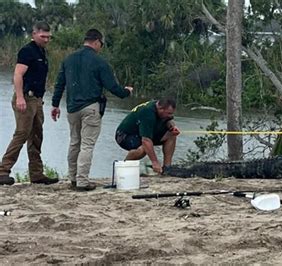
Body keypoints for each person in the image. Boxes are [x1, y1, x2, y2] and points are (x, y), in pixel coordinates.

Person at [51, 29, 133, 191]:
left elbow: (60, 83)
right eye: (101, 44)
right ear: (96, 41)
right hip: (91, 108)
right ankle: (82, 181)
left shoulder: (68, 59)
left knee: (74, 142)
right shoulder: (100, 62)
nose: (101, 47)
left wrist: (54, 105)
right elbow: (112, 87)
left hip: (72, 108)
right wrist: (126, 92)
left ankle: (73, 178)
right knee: (87, 145)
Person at [0, 22, 58, 186]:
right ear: (34, 34)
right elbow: (18, 74)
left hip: (37, 99)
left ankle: (36, 173)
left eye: (48, 37)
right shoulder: (27, 51)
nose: (46, 39)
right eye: (43, 36)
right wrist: (20, 98)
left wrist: (40, 101)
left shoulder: (42, 52)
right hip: (26, 97)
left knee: (36, 135)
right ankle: (3, 170)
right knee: (22, 134)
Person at [115, 97, 180, 174]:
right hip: (125, 136)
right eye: (169, 113)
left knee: (171, 135)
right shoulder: (147, 112)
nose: (170, 115)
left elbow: (169, 120)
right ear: (160, 108)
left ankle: (167, 168)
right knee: (143, 149)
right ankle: (124, 167)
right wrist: (155, 162)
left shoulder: (160, 105)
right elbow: (146, 141)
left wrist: (172, 127)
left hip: (144, 132)